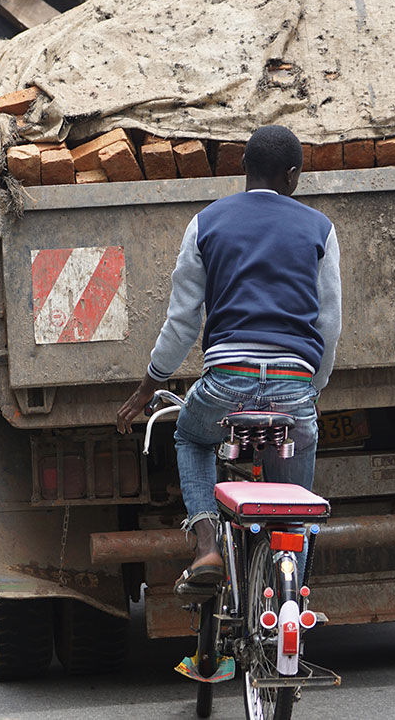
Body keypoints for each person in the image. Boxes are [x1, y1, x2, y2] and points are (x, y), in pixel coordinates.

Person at [116, 125, 341, 596]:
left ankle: (207, 547)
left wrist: (148, 385)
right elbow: (329, 323)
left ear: (243, 168)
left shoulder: (206, 223)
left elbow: (182, 323)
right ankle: (292, 608)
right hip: (292, 387)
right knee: (293, 512)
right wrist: (312, 388)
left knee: (190, 437)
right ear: (292, 176)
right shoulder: (319, 228)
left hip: (226, 385)